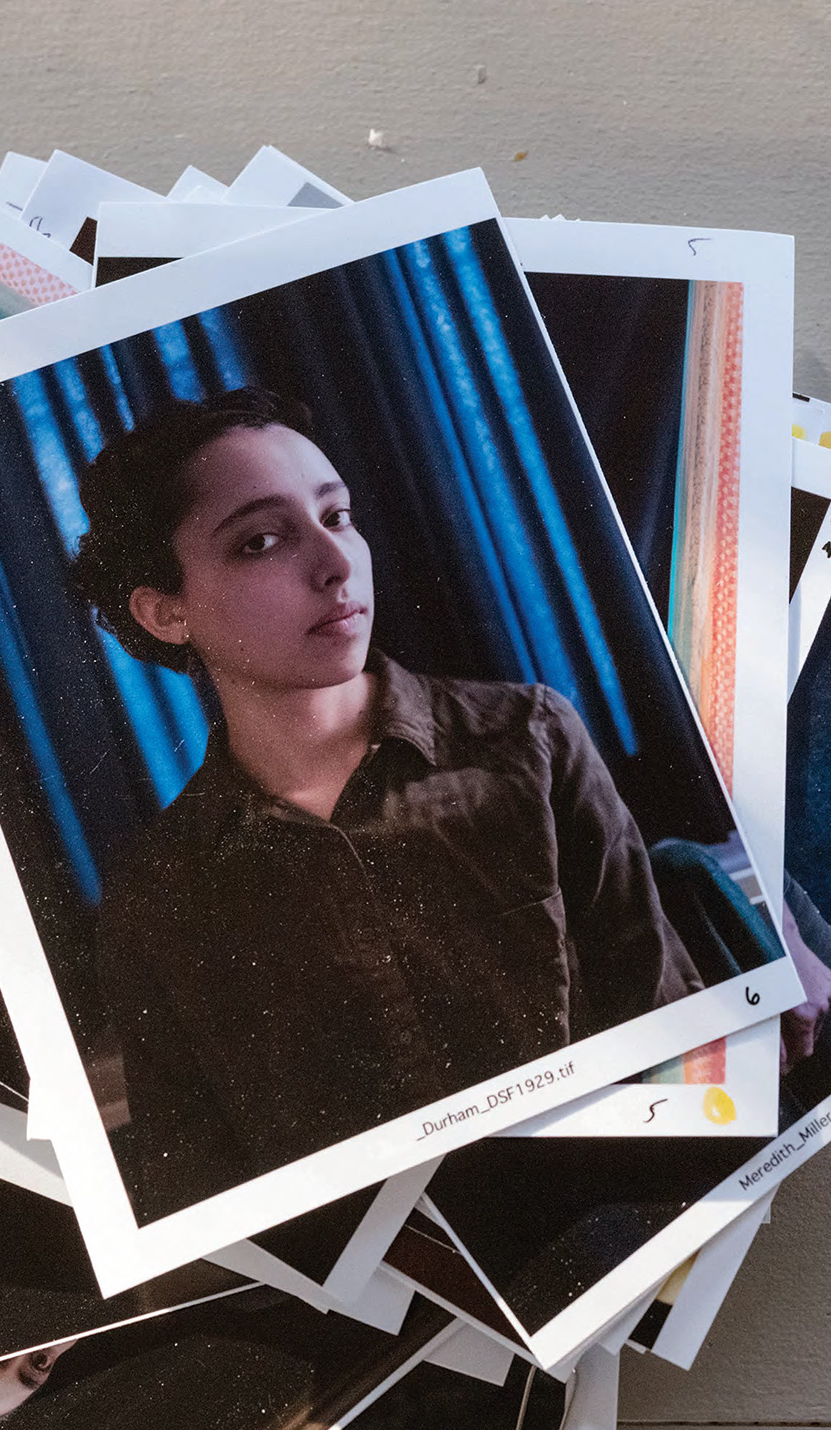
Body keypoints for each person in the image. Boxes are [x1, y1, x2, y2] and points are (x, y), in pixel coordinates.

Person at [70, 387, 703, 1212]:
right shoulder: (160, 895)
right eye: (262, 541)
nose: (335, 566)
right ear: (165, 612)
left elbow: (671, 1039)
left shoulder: (527, 741)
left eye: (337, 517)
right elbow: (204, 1195)